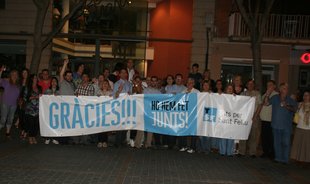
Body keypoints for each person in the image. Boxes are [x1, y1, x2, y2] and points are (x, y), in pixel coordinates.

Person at [264, 83, 297, 163]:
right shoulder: (275, 97)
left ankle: (285, 159)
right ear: (280, 89)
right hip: (275, 125)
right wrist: (267, 95)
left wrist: (286, 106)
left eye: (286, 88)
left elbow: (295, 109)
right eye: (283, 88)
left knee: (286, 143)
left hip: (286, 126)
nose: (285, 90)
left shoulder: (290, 99)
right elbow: (266, 103)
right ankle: (278, 158)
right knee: (277, 143)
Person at [239, 80, 262, 158]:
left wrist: (255, 116)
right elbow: (238, 103)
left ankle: (252, 152)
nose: (250, 85)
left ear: (254, 85)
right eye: (249, 84)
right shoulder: (243, 94)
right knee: (243, 134)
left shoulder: (257, 94)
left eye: (252, 84)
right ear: (246, 85)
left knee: (253, 135)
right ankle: (241, 151)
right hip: (245, 117)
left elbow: (259, 105)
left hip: (254, 117)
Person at [179, 78, 200, 153]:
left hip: (194, 114)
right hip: (184, 114)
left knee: (193, 132)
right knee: (184, 130)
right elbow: (179, 102)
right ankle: (183, 146)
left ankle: (192, 147)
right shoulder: (183, 92)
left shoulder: (197, 92)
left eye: (191, 83)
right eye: (188, 83)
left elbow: (200, 102)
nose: (189, 84)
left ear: (193, 84)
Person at [113, 68, 132, 147]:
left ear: (127, 74)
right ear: (119, 74)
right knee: (119, 124)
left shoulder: (129, 84)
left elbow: (131, 95)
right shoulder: (117, 84)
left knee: (125, 124)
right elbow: (115, 96)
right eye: (122, 73)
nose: (124, 74)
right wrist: (119, 91)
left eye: (125, 73)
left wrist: (130, 94)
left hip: (127, 106)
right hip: (119, 107)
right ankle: (117, 142)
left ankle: (122, 140)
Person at [260, 80, 278, 158]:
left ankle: (272, 153)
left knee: (271, 138)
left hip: (271, 120)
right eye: (267, 85)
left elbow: (268, 104)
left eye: (270, 85)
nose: (268, 86)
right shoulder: (264, 94)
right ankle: (265, 152)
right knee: (264, 137)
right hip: (264, 120)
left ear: (274, 86)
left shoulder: (276, 95)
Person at [0, 67, 20, 137]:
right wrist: (1, 71)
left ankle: (7, 132)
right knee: (3, 119)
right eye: (13, 74)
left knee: (11, 119)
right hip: (5, 103)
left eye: (16, 74)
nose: (14, 76)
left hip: (14, 104)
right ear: (10, 75)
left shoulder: (18, 84)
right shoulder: (7, 81)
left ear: (17, 76)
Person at [291, 90, 310, 163]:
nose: (305, 97)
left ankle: (307, 161)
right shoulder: (300, 104)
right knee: (298, 145)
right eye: (304, 95)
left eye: (307, 95)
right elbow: (295, 111)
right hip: (299, 127)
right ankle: (299, 159)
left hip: (308, 129)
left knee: (307, 146)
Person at [144, 76, 162, 148]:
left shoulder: (159, 92)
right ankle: (146, 143)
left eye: (155, 81)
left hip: (155, 112)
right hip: (147, 111)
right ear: (150, 82)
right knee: (147, 129)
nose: (154, 82)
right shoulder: (146, 90)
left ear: (157, 82)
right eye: (152, 81)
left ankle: (148, 143)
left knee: (152, 128)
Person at [24, 74, 42, 144]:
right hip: (30, 109)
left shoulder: (39, 88)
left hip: (38, 109)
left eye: (36, 78)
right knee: (31, 124)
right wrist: (35, 97)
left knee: (36, 125)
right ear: (31, 79)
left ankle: (34, 136)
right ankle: (30, 137)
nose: (35, 79)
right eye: (34, 78)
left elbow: (41, 96)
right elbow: (25, 98)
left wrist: (39, 97)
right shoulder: (27, 88)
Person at [218, 84, 235, 156]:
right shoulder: (222, 96)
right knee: (223, 134)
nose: (230, 90)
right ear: (226, 89)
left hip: (231, 118)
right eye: (228, 88)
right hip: (223, 118)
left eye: (231, 88)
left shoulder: (236, 97)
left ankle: (230, 152)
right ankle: (222, 151)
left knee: (231, 135)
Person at [43, 77, 60, 145]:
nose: (54, 83)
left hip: (57, 111)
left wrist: (57, 96)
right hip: (48, 110)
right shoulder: (47, 90)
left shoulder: (59, 91)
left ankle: (54, 138)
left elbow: (62, 99)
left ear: (57, 83)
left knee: (55, 124)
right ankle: (47, 138)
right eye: (52, 81)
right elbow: (43, 99)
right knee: (48, 124)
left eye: (55, 81)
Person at [97, 79, 113, 149]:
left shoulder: (110, 92)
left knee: (105, 128)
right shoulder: (98, 92)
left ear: (108, 85)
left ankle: (105, 141)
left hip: (107, 112)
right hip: (100, 112)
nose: (105, 85)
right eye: (103, 83)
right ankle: (100, 141)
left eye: (106, 83)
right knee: (100, 127)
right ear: (101, 85)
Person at [199, 80, 213, 154]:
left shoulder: (212, 94)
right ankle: (202, 148)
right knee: (201, 135)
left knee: (208, 134)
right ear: (202, 86)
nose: (206, 86)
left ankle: (207, 149)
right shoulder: (199, 94)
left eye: (207, 85)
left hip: (209, 116)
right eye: (204, 85)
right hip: (200, 116)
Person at [17, 68, 29, 140]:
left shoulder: (29, 82)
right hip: (20, 102)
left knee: (26, 118)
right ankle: (22, 130)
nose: (24, 74)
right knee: (21, 118)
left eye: (26, 72)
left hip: (27, 103)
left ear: (28, 73)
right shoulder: (19, 82)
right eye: (23, 72)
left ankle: (24, 132)